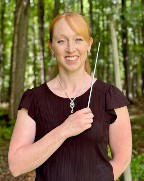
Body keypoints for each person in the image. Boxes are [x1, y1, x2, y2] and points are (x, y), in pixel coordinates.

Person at [8, 12, 132, 181]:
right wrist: (64, 130)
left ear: (89, 45)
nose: (71, 48)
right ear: (51, 47)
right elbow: (16, 166)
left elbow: (123, 158)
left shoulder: (109, 97)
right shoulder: (34, 99)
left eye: (78, 39)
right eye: (61, 41)